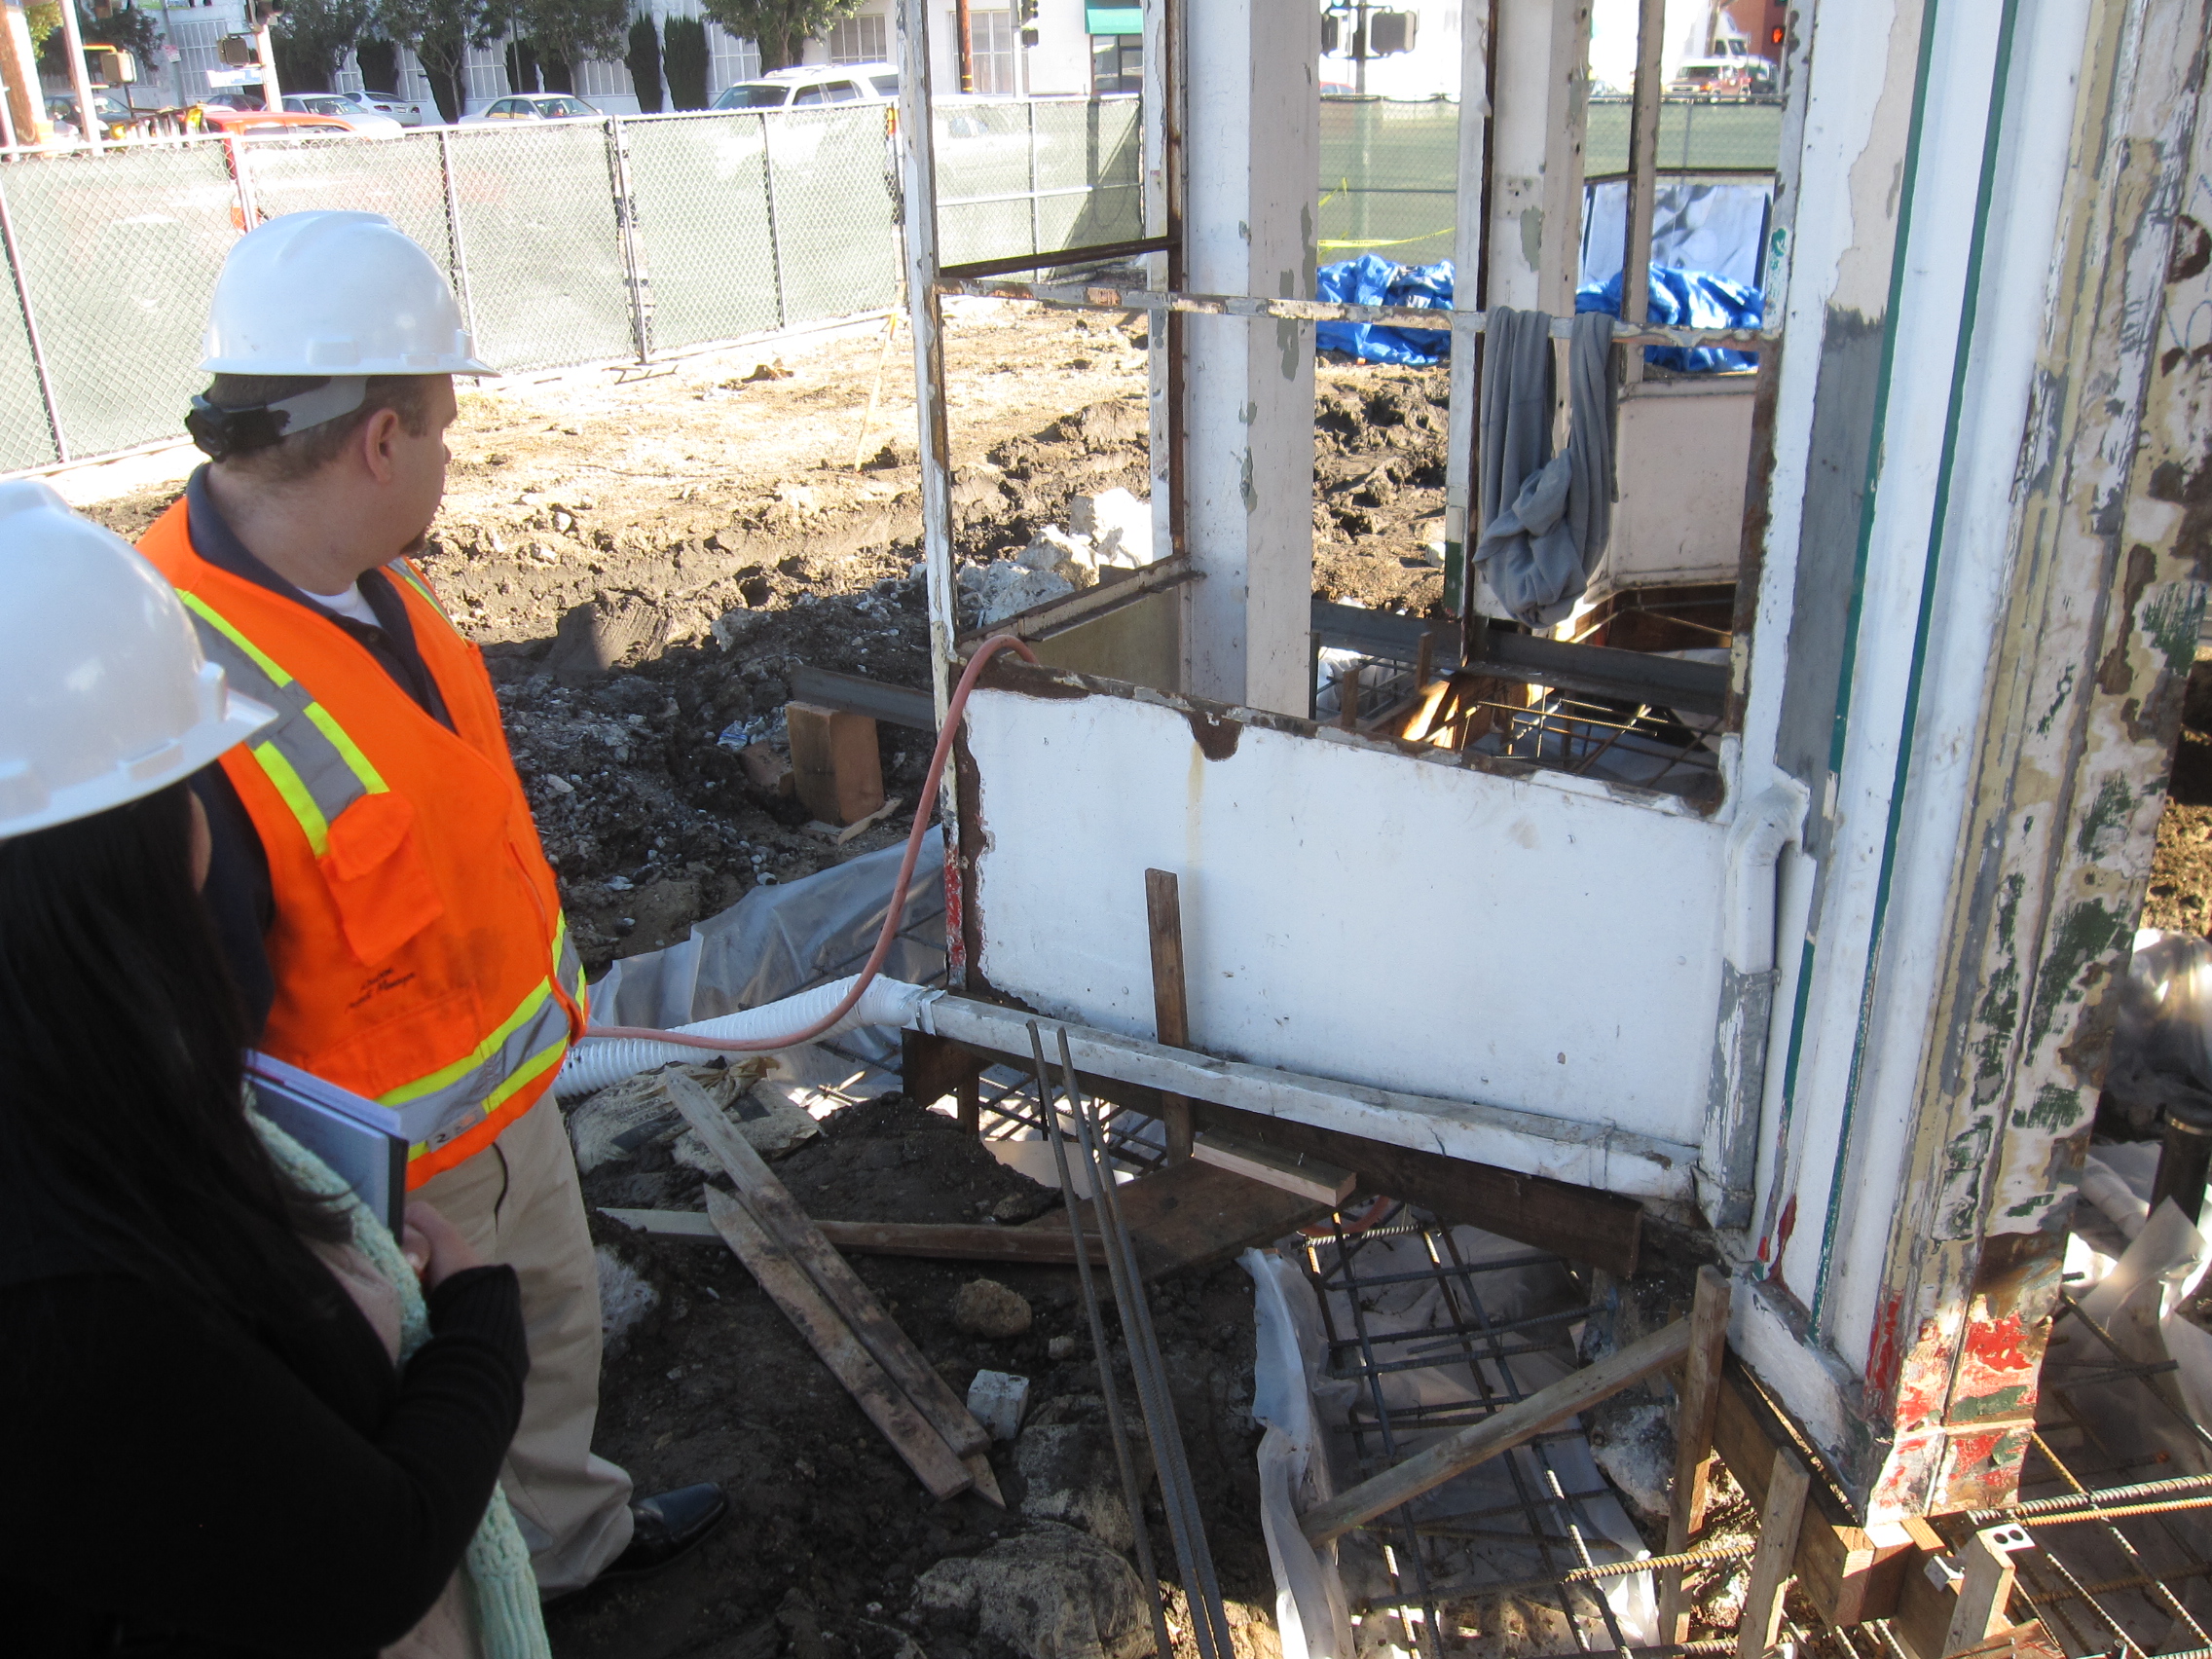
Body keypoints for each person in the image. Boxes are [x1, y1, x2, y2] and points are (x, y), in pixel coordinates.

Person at [137, 209, 723, 1597]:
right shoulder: (166, 686)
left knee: (551, 1343)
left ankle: (578, 1549)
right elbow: (175, 1031)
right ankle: (493, 1611)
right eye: (443, 430)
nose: (454, 461)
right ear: (377, 442)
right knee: (430, 1433)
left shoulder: (367, 589)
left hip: (509, 1113)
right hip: (380, 1191)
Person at [0, 480, 535, 1656]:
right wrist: (479, 1321)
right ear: (129, 852)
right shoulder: (69, 1297)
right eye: (193, 783)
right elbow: (370, 1560)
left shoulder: (82, 1113)